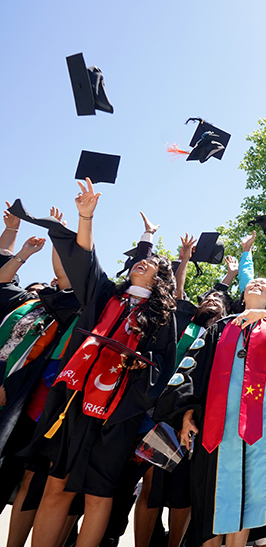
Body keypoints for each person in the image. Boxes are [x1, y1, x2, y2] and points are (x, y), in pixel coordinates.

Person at [20, 179, 178, 547]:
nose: (144, 261)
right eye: (142, 257)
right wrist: (85, 217)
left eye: (153, 261)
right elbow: (85, 263)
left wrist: (142, 366)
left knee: (97, 494)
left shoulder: (161, 317)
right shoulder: (106, 296)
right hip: (73, 401)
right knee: (56, 487)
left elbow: (162, 367)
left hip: (116, 413)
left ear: (161, 278)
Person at [154, 276, 266, 547]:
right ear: (241, 294)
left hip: (261, 433)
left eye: (264, 284)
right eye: (252, 282)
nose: (256, 283)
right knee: (214, 501)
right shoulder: (219, 328)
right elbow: (193, 372)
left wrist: (265, 315)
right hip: (218, 429)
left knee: (248, 502)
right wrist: (186, 413)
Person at [132, 233, 238, 547]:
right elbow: (178, 294)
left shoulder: (225, 336)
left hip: (197, 419)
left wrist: (233, 276)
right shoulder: (184, 322)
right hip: (163, 413)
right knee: (152, 481)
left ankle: (174, 543)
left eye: (219, 301)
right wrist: (186, 261)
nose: (211, 301)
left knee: (184, 492)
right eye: (208, 298)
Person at [0, 211, 82, 547]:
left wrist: (58, 234)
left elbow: (65, 276)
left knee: (25, 476)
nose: (43, 287)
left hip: (31, 395)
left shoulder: (64, 309)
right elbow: (2, 280)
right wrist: (15, 238)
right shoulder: (25, 302)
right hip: (12, 384)